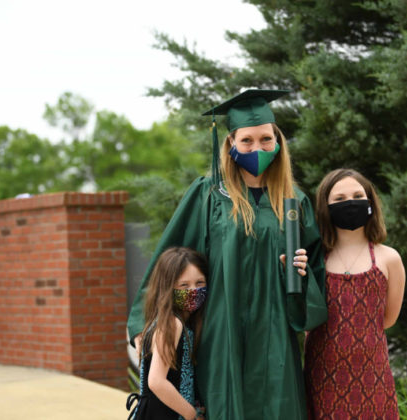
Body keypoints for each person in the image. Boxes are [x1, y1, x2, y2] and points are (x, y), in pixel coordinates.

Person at [128, 89, 328, 419]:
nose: (257, 148)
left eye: (266, 139)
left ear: (277, 142)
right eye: (246, 141)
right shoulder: (208, 195)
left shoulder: (295, 203)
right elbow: (171, 255)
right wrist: (143, 321)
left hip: (275, 332)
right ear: (231, 143)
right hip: (222, 332)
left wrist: (300, 276)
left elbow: (316, 278)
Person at [304, 168, 406, 420]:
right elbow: (305, 318)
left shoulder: (389, 258)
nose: (349, 203)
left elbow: (388, 319)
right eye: (339, 199)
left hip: (373, 379)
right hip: (322, 378)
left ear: (370, 202)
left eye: (357, 195)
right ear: (325, 207)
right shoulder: (313, 260)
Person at [127, 247, 207, 420]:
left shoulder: (169, 321)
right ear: (168, 288)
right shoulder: (172, 323)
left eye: (199, 283)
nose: (193, 291)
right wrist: (191, 414)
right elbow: (156, 381)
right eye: (184, 285)